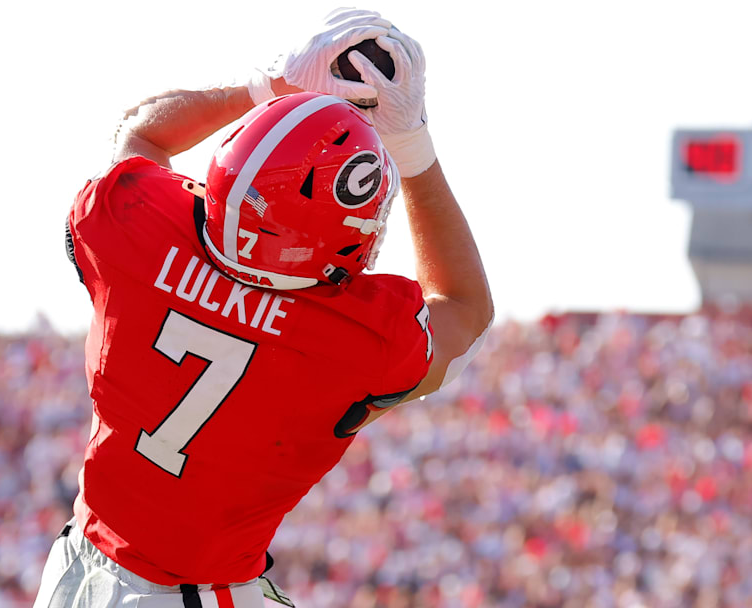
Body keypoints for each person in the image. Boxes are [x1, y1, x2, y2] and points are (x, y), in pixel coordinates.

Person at [35, 8, 492, 608]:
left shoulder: (134, 230)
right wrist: (412, 145)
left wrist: (272, 86)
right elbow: (463, 308)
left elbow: (140, 134)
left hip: (77, 568)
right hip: (195, 594)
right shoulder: (357, 340)